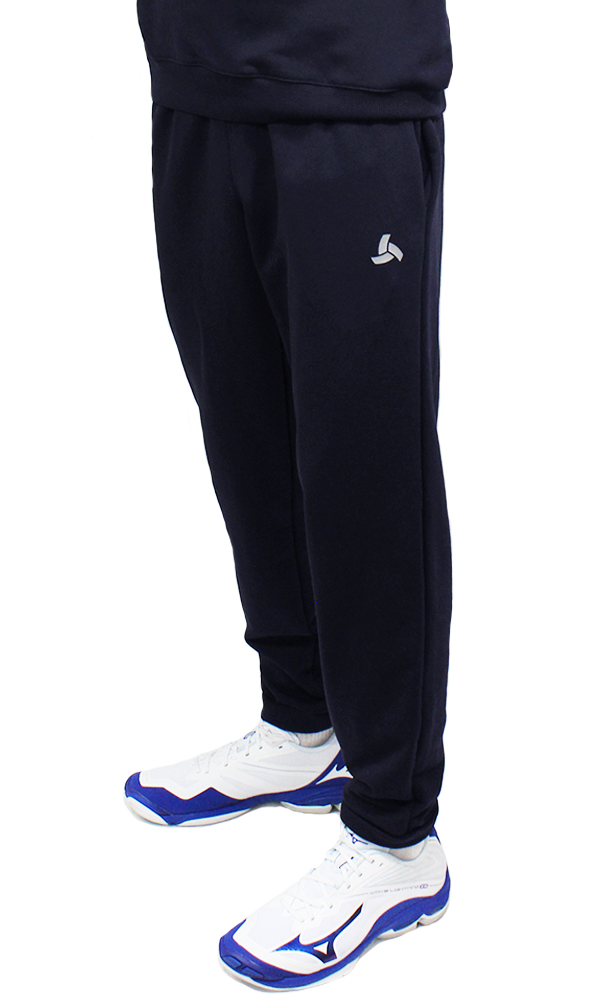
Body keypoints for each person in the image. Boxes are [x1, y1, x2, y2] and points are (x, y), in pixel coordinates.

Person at [124, 0, 454, 989]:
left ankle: (396, 833)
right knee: (245, 434)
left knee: (366, 462)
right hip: (194, 76)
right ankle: (301, 721)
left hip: (349, 84)